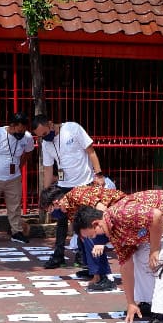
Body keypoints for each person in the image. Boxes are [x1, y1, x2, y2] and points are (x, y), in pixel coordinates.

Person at [72, 188, 163, 323]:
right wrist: (131, 302)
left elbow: (156, 216)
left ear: (96, 224)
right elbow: (126, 266)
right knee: (139, 255)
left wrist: (154, 250)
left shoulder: (120, 213)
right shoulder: (114, 234)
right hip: (162, 221)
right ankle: (148, 303)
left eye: (90, 235)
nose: (92, 239)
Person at [33, 114, 105, 269]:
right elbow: (48, 168)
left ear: (50, 124)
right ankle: (58, 255)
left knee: (82, 221)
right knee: (61, 221)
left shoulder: (72, 128)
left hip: (83, 184)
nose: (44, 138)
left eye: (45, 133)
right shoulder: (46, 144)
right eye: (40, 136)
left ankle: (81, 255)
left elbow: (91, 151)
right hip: (63, 185)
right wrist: (46, 193)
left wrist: (98, 174)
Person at [40, 182, 124, 292]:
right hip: (104, 219)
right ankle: (92, 270)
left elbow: (103, 211)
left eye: (50, 210)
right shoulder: (69, 208)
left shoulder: (77, 195)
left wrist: (101, 240)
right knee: (83, 236)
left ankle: (102, 277)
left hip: (118, 214)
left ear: (56, 203)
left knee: (90, 237)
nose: (51, 214)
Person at [0, 112, 35, 244]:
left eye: (24, 130)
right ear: (12, 125)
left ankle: (16, 232)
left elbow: (29, 151)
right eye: (19, 130)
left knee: (15, 206)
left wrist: (19, 166)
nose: (21, 133)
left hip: (14, 177)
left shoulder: (27, 137)